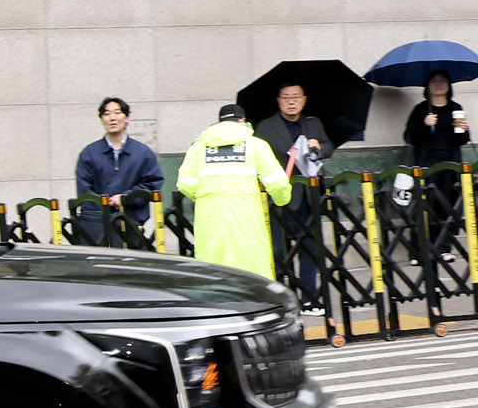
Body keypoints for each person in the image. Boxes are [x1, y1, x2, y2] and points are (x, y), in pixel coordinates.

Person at [177, 104, 292, 279]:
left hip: (210, 218)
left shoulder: (198, 148)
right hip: (247, 218)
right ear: (243, 121)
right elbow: (278, 184)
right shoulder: (256, 145)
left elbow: (185, 184)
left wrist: (205, 196)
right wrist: (281, 200)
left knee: (213, 269)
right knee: (251, 268)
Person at [254, 83, 333, 313]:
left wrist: (319, 146)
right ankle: (280, 299)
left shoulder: (313, 123)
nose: (291, 101)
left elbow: (328, 147)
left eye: (296, 97)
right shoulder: (266, 127)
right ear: (278, 101)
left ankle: (310, 297)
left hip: (309, 196)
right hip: (279, 197)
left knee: (310, 248)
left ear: (304, 100)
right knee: (278, 251)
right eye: (286, 97)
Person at [73, 96, 164, 246]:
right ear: (102, 119)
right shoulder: (89, 153)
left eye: (117, 112)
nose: (112, 118)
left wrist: (126, 198)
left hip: (131, 221)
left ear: (126, 117)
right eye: (107, 114)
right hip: (96, 225)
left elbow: (152, 183)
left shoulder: (142, 153)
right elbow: (84, 188)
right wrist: (103, 205)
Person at [402, 70, 471, 260]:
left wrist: (464, 130)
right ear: (428, 86)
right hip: (426, 163)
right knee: (423, 206)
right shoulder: (421, 109)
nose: (438, 84)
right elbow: (409, 137)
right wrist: (424, 124)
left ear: (449, 86)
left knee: (446, 206)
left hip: (450, 164)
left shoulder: (456, 108)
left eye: (442, 81)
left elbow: (462, 140)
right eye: (434, 81)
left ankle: (444, 248)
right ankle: (418, 251)